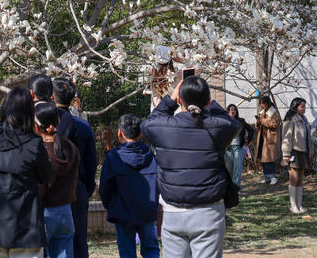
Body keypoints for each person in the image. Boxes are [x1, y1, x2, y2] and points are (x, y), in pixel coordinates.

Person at [140, 76, 238, 258]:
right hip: (208, 211)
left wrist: (169, 100)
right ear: (207, 101)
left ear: (179, 100)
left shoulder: (163, 126)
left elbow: (148, 123)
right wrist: (211, 104)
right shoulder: (218, 127)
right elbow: (232, 123)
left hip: (173, 211)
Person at [0, 87, 54, 257]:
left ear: (4, 108)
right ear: (29, 111)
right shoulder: (34, 143)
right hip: (25, 227)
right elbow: (48, 176)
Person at [99, 114, 159, 258]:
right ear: (140, 133)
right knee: (151, 249)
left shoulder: (113, 157)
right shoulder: (151, 155)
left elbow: (104, 188)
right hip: (147, 210)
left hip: (122, 211)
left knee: (127, 252)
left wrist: (111, 205)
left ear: (120, 132)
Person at [53, 76, 98, 258]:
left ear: (51, 96)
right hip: (77, 188)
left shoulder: (42, 125)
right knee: (79, 240)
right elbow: (91, 163)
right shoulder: (83, 126)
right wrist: (85, 189)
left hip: (52, 191)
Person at [35, 101, 79, 258]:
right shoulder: (70, 147)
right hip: (66, 212)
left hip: (44, 213)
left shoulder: (38, 150)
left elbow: (39, 186)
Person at [281, 97, 315, 214]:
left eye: (304, 106)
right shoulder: (291, 119)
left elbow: (307, 137)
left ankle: (299, 205)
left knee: (300, 178)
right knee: (293, 178)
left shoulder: (304, 119)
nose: (304, 108)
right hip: (293, 152)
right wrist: (286, 153)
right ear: (295, 107)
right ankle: (293, 205)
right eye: (302, 106)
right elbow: (287, 137)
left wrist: (310, 151)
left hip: (303, 152)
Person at [254, 95, 283, 185]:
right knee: (263, 159)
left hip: (271, 138)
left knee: (270, 159)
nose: (262, 106)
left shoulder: (274, 113)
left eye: (263, 104)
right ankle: (266, 176)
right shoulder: (262, 113)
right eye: (261, 104)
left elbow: (274, 124)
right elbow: (258, 125)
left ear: (268, 103)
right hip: (263, 137)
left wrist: (262, 121)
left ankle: (273, 177)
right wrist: (258, 122)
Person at [224, 104, 254, 188]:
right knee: (228, 168)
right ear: (228, 112)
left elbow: (251, 130)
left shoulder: (241, 121)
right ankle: (229, 188)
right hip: (228, 148)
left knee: (237, 168)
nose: (233, 112)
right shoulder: (225, 121)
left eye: (234, 110)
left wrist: (248, 140)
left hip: (238, 147)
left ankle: (236, 189)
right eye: (231, 110)